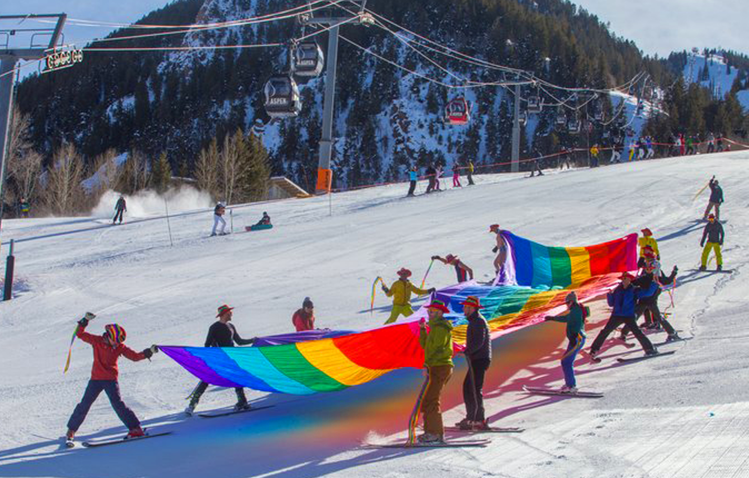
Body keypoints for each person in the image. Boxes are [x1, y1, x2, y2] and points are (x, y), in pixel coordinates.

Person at [65, 315, 158, 443]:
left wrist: (148, 352)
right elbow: (80, 334)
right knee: (84, 404)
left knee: (117, 404)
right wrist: (84, 321)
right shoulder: (97, 341)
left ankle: (135, 428)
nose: (117, 344)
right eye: (115, 341)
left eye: (119, 342)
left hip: (110, 380)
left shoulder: (120, 347)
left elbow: (135, 357)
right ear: (108, 336)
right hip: (95, 379)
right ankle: (71, 430)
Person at [185, 305, 256, 415]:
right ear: (224, 314)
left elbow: (239, 341)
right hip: (218, 359)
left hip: (230, 358)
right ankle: (192, 405)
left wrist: (254, 340)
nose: (231, 314)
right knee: (206, 379)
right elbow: (207, 344)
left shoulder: (231, 326)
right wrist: (208, 359)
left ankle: (242, 402)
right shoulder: (214, 327)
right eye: (229, 313)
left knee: (237, 377)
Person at [588, 272, 657, 360]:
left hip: (629, 316)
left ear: (629, 279)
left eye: (624, 278)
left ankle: (650, 349)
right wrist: (610, 294)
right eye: (622, 279)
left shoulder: (634, 290)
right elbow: (611, 304)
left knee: (637, 332)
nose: (623, 280)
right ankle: (594, 349)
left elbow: (648, 293)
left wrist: (654, 284)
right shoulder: (617, 290)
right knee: (605, 331)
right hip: (616, 315)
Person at [416, 299, 454, 443]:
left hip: (440, 367)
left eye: (431, 311)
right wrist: (423, 329)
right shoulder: (434, 328)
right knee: (427, 400)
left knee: (432, 400)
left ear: (439, 313)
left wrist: (427, 364)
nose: (429, 313)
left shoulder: (441, 328)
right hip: (435, 367)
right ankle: (430, 432)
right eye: (428, 311)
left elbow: (438, 348)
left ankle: (436, 433)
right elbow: (425, 345)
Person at [455, 296, 491, 430]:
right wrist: (466, 349)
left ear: (474, 308)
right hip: (476, 358)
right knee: (469, 388)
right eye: (465, 307)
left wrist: (467, 350)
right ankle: (471, 417)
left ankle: (478, 419)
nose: (465, 309)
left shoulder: (478, 321)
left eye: (468, 307)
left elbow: (479, 342)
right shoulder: (474, 321)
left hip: (480, 359)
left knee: (474, 390)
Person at [544, 292, 588, 393]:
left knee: (566, 362)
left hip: (577, 339)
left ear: (571, 302)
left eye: (567, 303)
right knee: (567, 361)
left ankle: (571, 386)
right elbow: (567, 319)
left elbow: (573, 322)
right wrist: (552, 318)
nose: (566, 305)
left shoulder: (576, 311)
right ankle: (569, 383)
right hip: (577, 338)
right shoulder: (576, 309)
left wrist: (573, 337)